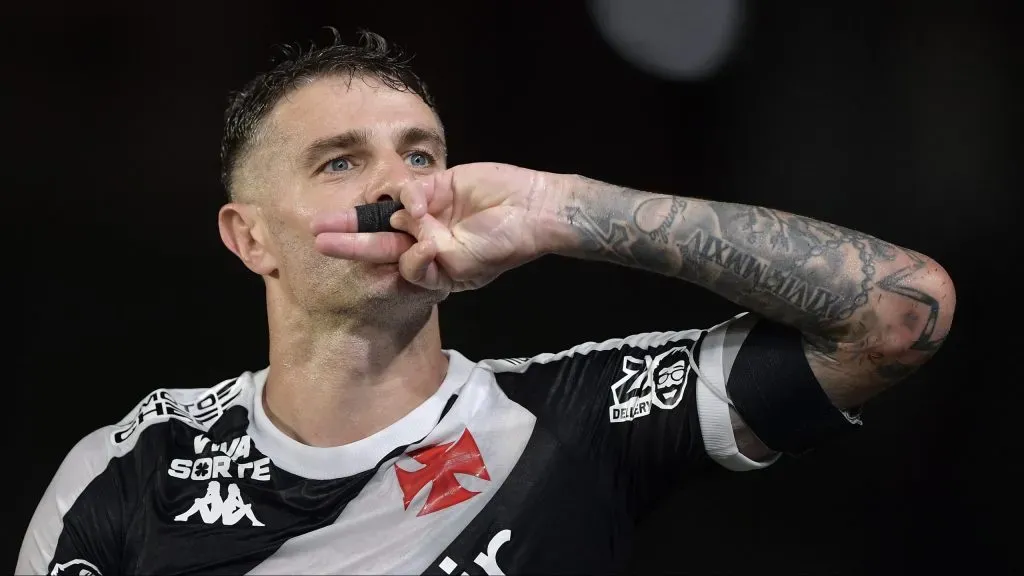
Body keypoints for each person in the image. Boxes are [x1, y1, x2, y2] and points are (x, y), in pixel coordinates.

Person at [17, 29, 955, 575]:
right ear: (249, 236)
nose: (403, 190)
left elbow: (902, 312)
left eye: (421, 155)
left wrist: (564, 209)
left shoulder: (576, 422)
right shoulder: (128, 472)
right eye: (342, 161)